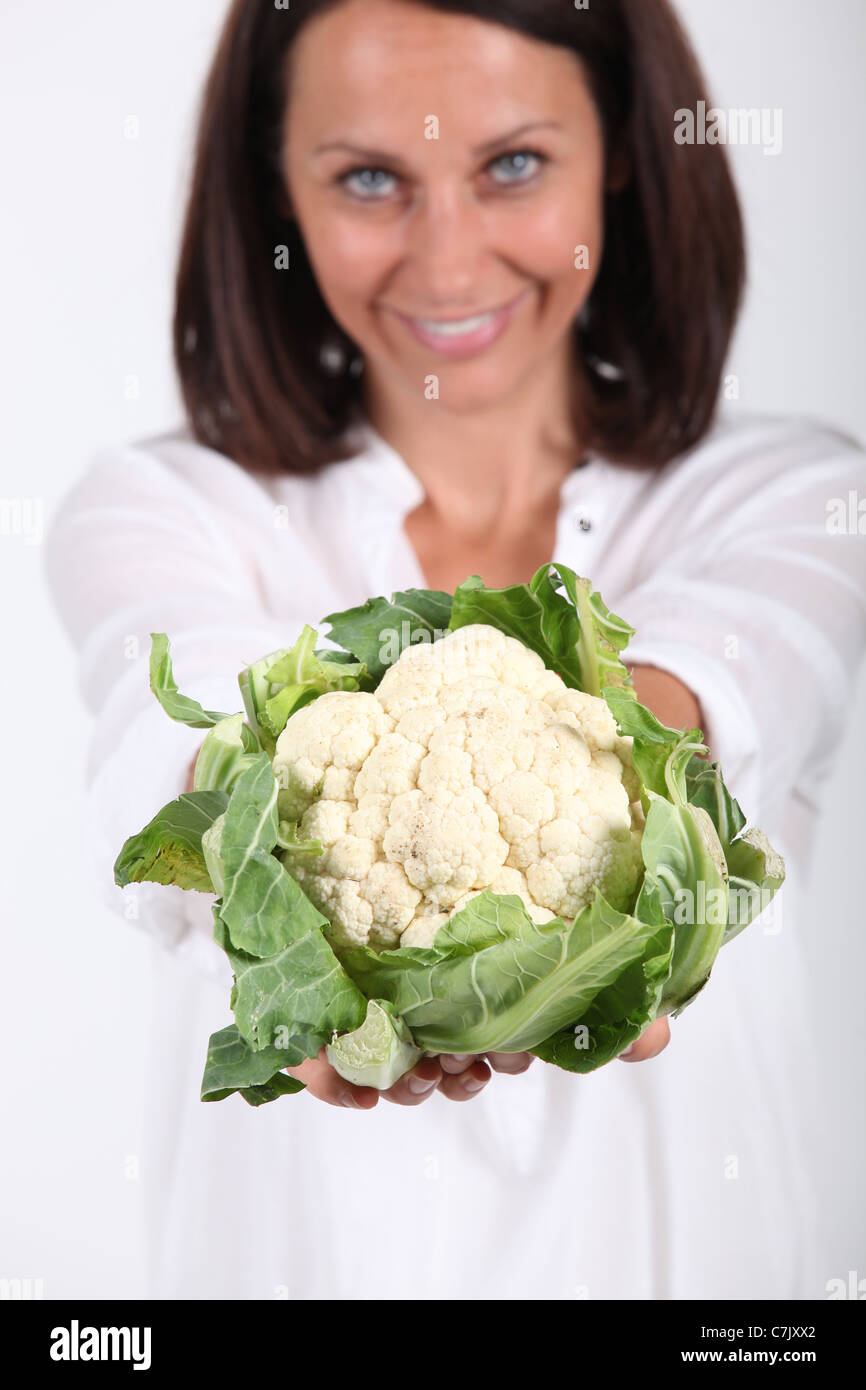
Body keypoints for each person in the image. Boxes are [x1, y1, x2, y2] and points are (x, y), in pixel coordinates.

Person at [45, 0, 866, 1298]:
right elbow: (182, 742)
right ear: (276, 193)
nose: (445, 260)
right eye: (368, 177)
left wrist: (569, 825)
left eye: (513, 165)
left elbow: (720, 689)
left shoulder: (796, 495)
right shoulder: (159, 511)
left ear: (626, 159)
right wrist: (279, 878)